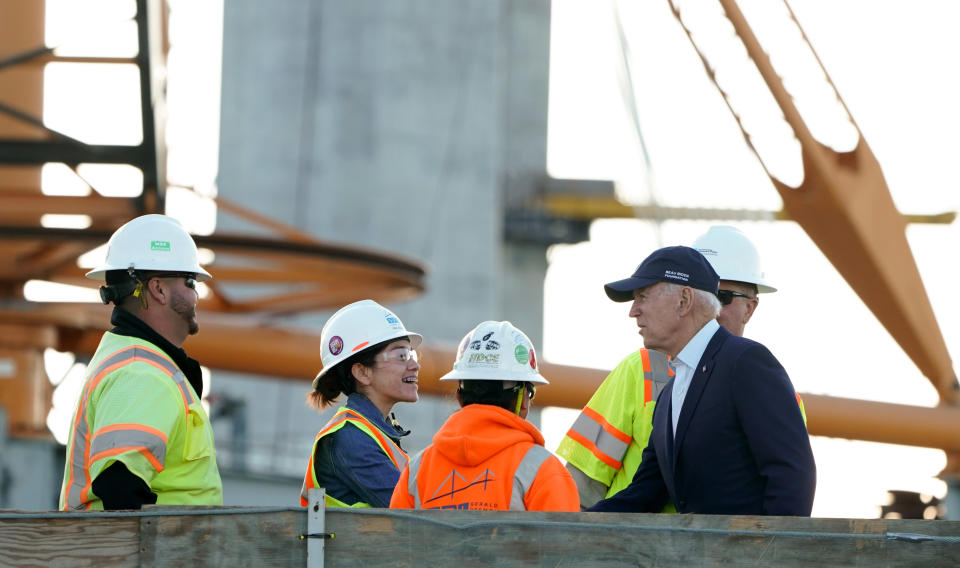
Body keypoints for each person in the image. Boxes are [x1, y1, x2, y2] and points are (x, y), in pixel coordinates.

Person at [557, 225, 789, 508]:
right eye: (707, 291)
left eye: (722, 296)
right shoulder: (642, 371)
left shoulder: (762, 377)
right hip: (632, 548)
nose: (711, 305)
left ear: (750, 309)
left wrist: (771, 551)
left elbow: (788, 479)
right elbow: (584, 486)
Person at [59, 214, 221, 510]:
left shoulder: (138, 362)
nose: (195, 294)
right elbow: (119, 488)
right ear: (158, 289)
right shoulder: (141, 373)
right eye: (189, 281)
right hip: (145, 556)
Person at [390, 321, 579, 511]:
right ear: (522, 401)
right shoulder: (543, 470)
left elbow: (392, 537)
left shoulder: (417, 471)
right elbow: (565, 539)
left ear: (459, 397)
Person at [300, 299, 422, 508]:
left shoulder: (373, 432)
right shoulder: (351, 439)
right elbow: (412, 514)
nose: (415, 365)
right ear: (362, 372)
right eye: (401, 355)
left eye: (412, 354)